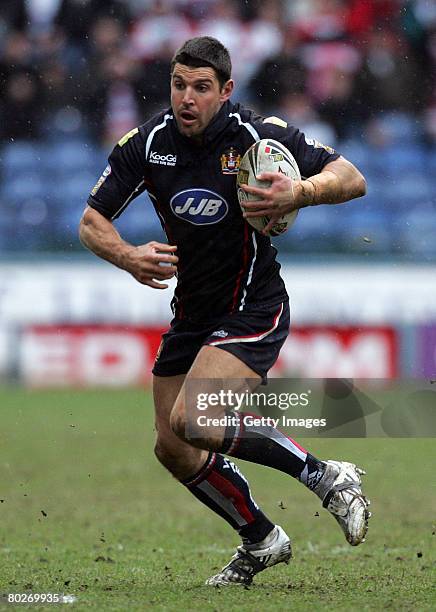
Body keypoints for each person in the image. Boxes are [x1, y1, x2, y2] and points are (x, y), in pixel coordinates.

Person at [79, 36, 370, 587]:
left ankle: (326, 476)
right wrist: (127, 255)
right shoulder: (148, 145)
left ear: (226, 91)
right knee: (173, 446)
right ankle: (261, 538)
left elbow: (352, 178)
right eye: (178, 85)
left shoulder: (259, 136)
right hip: (192, 312)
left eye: (201, 88)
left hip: (252, 304)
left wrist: (301, 192)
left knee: (197, 418)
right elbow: (91, 221)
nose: (187, 98)